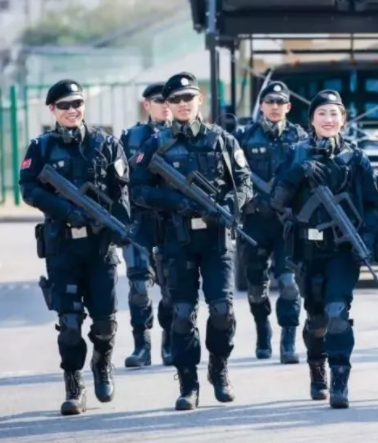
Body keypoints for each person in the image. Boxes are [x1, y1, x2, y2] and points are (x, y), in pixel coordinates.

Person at [131, 72, 253, 410]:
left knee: (222, 311)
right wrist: (175, 202)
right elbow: (137, 190)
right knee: (183, 314)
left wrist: (230, 204)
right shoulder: (155, 144)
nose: (183, 104)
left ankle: (219, 368)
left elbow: (245, 182)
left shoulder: (221, 140)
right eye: (176, 99)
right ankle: (188, 383)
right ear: (167, 105)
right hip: (176, 239)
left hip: (216, 239)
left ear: (200, 99)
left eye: (189, 97)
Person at [20, 79, 129, 415]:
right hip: (62, 247)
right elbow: (29, 189)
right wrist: (66, 211)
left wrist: (120, 227)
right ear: (52, 109)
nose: (72, 110)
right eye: (64, 105)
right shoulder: (41, 147)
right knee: (69, 323)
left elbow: (122, 191)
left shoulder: (106, 144)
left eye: (77, 104)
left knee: (104, 323)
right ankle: (73, 383)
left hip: (99, 249)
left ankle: (102, 362)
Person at [269, 90, 378, 409]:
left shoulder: (356, 159)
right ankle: (317, 370)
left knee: (337, 313)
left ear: (343, 119)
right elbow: (275, 200)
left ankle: (340, 379)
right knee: (317, 319)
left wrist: (367, 241)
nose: (328, 120)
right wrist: (298, 173)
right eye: (322, 114)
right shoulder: (295, 153)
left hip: (342, 250)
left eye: (334, 114)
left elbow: (374, 206)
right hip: (307, 249)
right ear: (311, 120)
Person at [234, 81, 307, 363]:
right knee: (256, 286)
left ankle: (288, 341)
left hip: (287, 223)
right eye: (269, 102)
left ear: (288, 106)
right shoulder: (244, 137)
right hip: (255, 222)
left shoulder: (300, 137)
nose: (275, 107)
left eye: (280, 102)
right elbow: (232, 177)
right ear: (261, 106)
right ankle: (262, 329)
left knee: (289, 283)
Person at [119, 83, 174, 368]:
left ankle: (170, 341)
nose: (166, 105)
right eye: (159, 100)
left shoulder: (184, 136)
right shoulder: (131, 137)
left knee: (172, 288)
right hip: (138, 220)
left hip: (171, 220)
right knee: (139, 286)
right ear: (147, 105)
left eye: (170, 100)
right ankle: (142, 346)